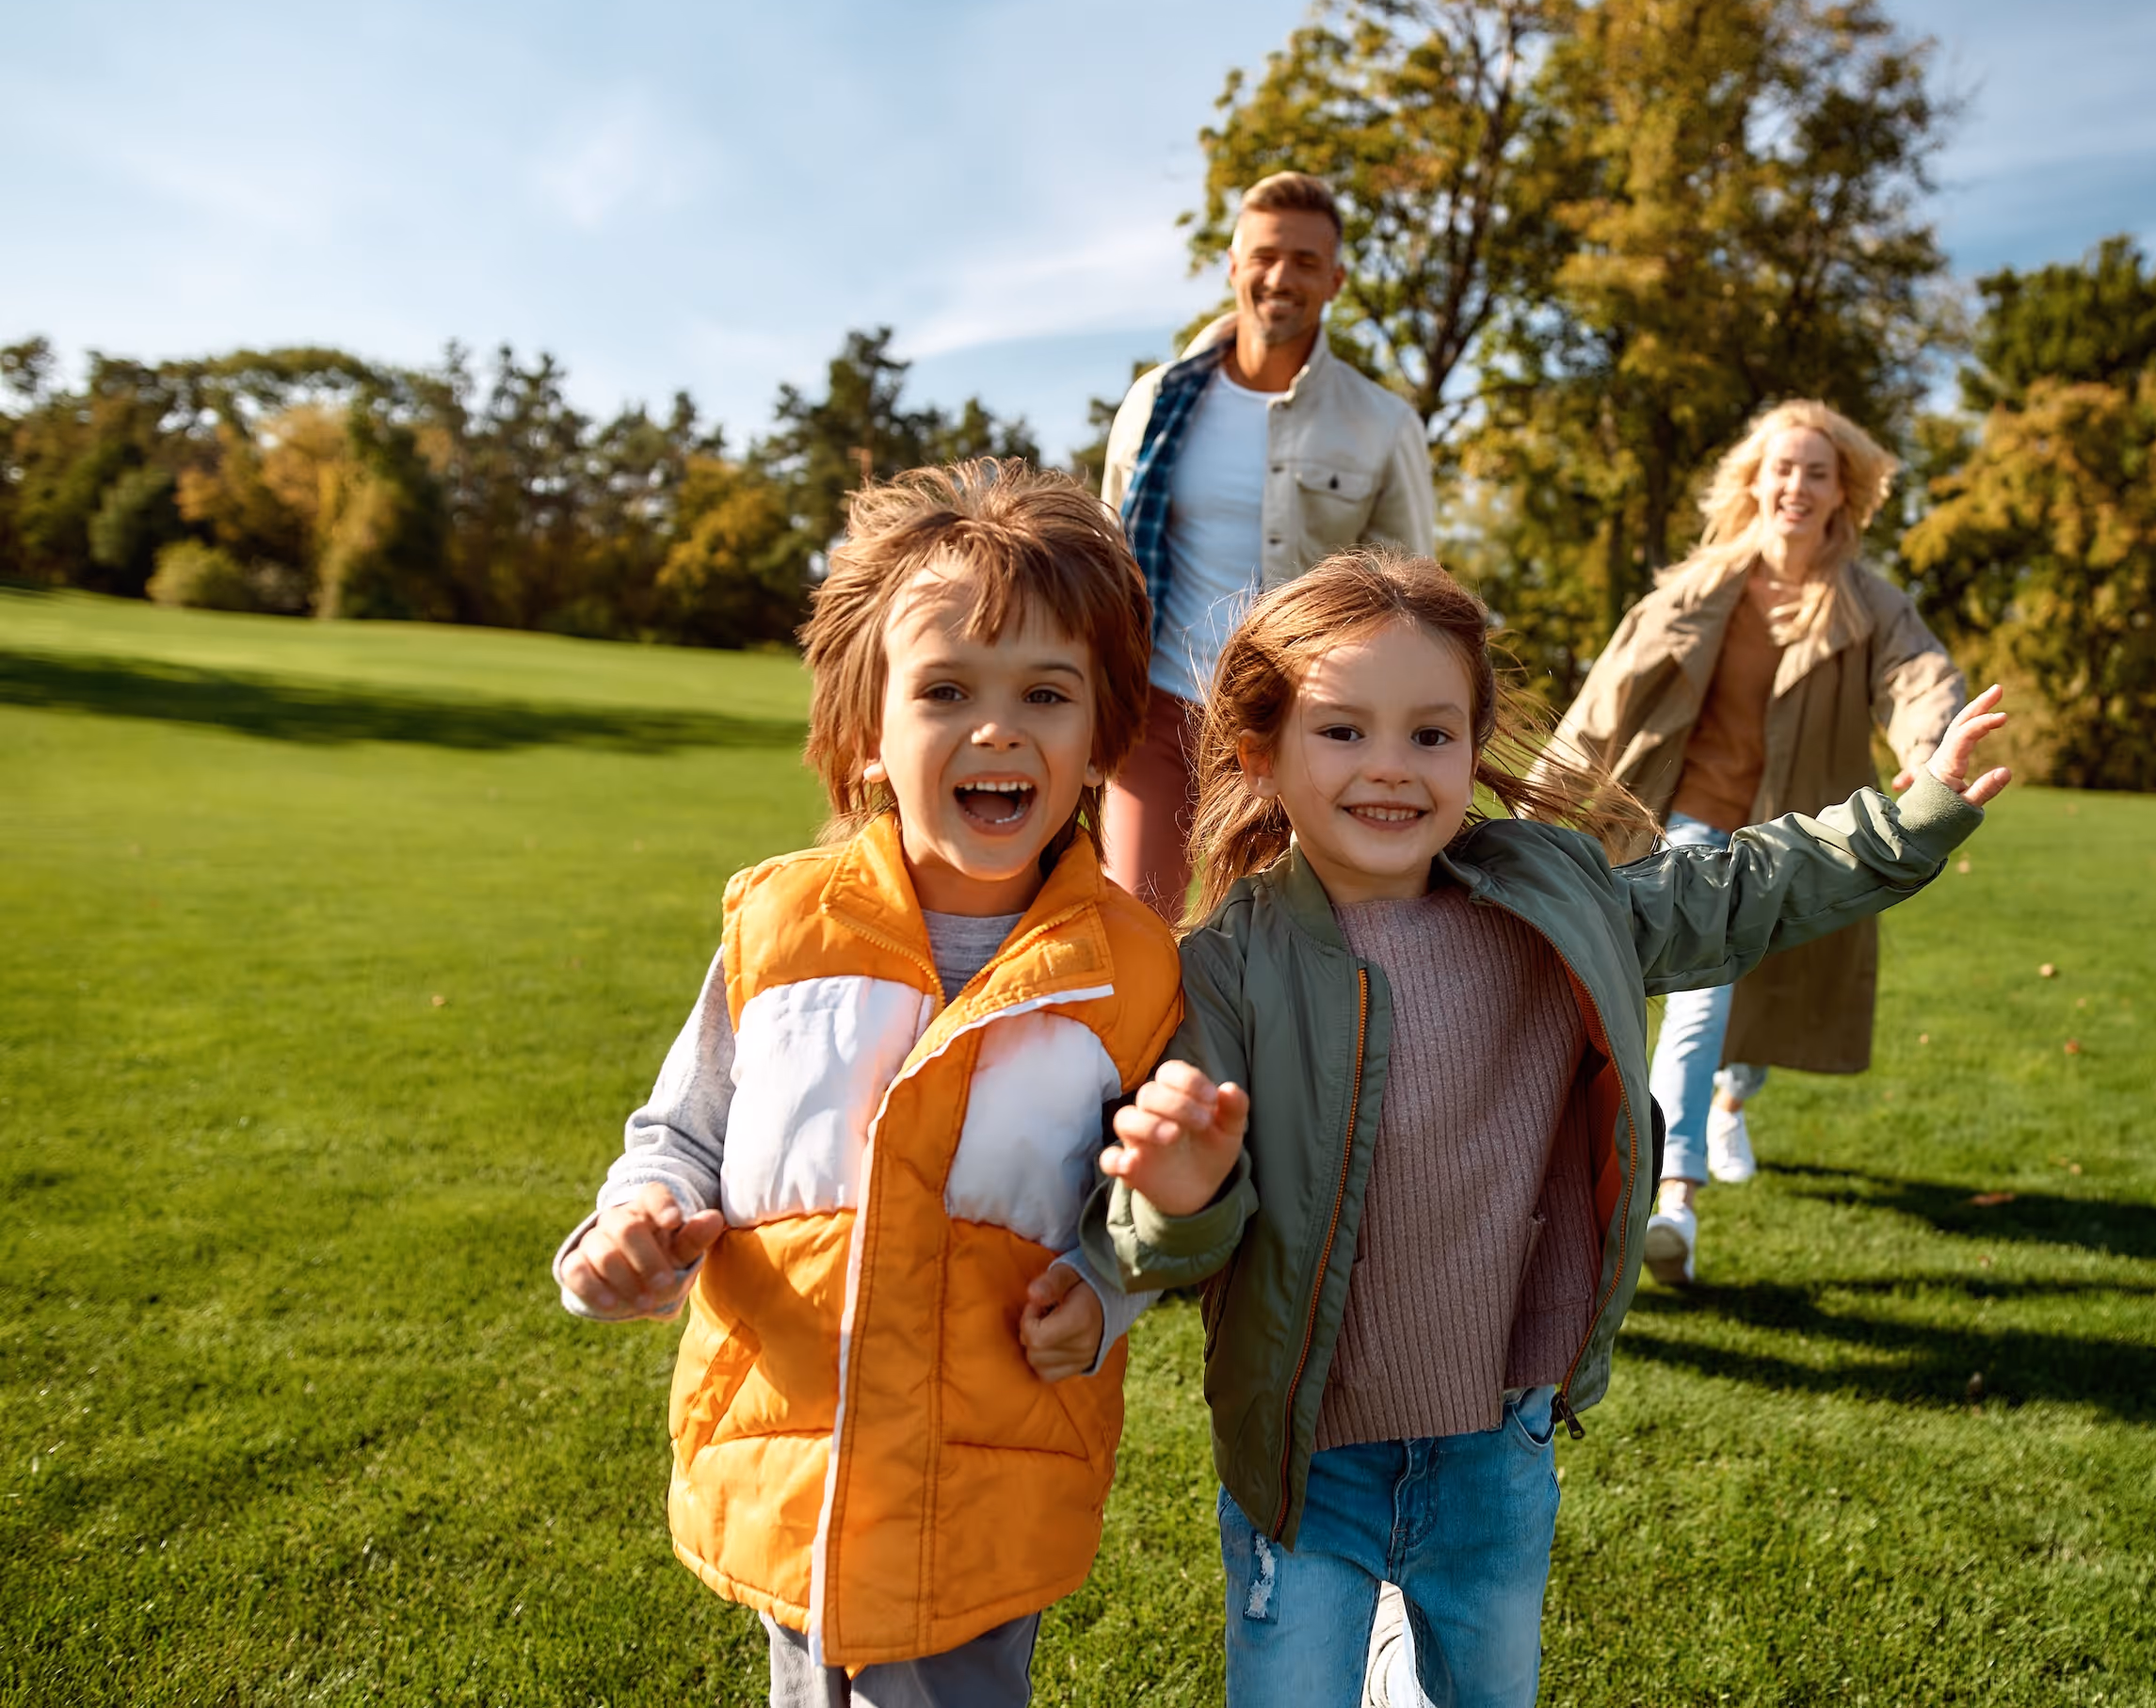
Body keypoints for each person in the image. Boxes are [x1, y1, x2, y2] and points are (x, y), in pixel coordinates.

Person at [1080, 550, 2010, 1706]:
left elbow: (1736, 886)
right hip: (1308, 1466)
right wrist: (1181, 1185)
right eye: (1343, 731)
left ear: (1475, 750)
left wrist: (1912, 818)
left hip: (1497, 1446)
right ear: (1262, 750)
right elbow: (1167, 1244)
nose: (1391, 769)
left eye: (1430, 734)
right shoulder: (1224, 969)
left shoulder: (1555, 897)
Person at [551, 461, 1180, 1707]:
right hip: (794, 1455)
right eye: (946, 689)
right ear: (866, 726)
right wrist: (633, 1221)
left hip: (986, 1475)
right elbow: (682, 1129)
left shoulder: (1134, 969)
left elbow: (1168, 1212)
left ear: (1101, 732)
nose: (998, 729)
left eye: (1045, 694)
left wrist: (1107, 1288)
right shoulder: (780, 922)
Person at [1549, 398, 1968, 1286]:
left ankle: (1736, 1094)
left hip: (1794, 830)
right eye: (1783, 467)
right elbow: (1602, 703)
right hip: (1686, 820)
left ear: (1843, 491)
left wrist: (1930, 754)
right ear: (1756, 481)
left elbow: (1921, 677)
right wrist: (1543, 797)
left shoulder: (1868, 603)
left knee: (1753, 1003)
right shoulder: (1693, 592)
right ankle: (1674, 1202)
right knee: (1703, 998)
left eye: (1818, 472)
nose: (1798, 485)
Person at [1098, 169, 1437, 922]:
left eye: (1306, 262)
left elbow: (1413, 594)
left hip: (1295, 720)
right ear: (1233, 264)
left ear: (1336, 279)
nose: (1280, 277)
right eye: (1265, 256)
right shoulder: (1156, 401)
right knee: (1131, 925)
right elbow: (1106, 556)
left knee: (1273, 944)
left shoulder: (1381, 424)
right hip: (1158, 705)